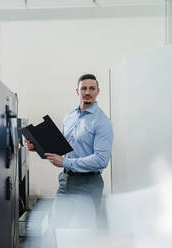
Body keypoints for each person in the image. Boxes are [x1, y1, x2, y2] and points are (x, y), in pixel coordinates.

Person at [25, 74, 113, 229]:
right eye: (83, 88)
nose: (87, 92)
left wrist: (65, 162)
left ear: (98, 91)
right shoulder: (69, 117)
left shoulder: (102, 122)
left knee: (85, 231)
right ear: (77, 91)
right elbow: (61, 150)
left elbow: (101, 160)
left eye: (92, 88)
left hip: (89, 184)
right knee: (57, 227)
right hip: (65, 181)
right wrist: (37, 147)